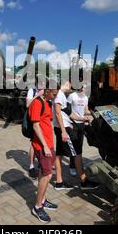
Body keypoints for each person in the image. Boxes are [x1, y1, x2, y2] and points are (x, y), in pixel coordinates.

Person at [53, 80, 99, 190]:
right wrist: (64, 130)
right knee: (77, 152)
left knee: (59, 154)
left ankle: (59, 182)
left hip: (64, 127)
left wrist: (82, 118)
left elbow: (69, 114)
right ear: (66, 84)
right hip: (64, 129)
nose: (71, 86)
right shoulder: (60, 95)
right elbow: (58, 113)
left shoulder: (62, 95)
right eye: (70, 84)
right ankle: (84, 182)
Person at [30, 86, 58, 223]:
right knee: (47, 175)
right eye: (53, 94)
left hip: (49, 143)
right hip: (42, 146)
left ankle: (43, 200)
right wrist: (45, 146)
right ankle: (37, 206)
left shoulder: (47, 102)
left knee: (46, 173)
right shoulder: (37, 103)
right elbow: (35, 125)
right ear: (46, 91)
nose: (54, 97)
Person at [67, 83, 90, 176]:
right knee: (74, 147)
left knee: (79, 146)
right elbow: (67, 110)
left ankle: (79, 165)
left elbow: (86, 110)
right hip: (73, 124)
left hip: (82, 124)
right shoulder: (72, 96)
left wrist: (94, 112)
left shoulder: (85, 98)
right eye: (84, 87)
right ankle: (72, 166)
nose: (85, 89)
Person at [26, 76, 45, 179]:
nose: (42, 85)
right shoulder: (32, 91)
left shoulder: (45, 91)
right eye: (40, 83)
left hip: (44, 123)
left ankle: (41, 162)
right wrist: (37, 95)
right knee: (34, 144)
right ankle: (31, 166)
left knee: (42, 143)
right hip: (34, 122)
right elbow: (27, 104)